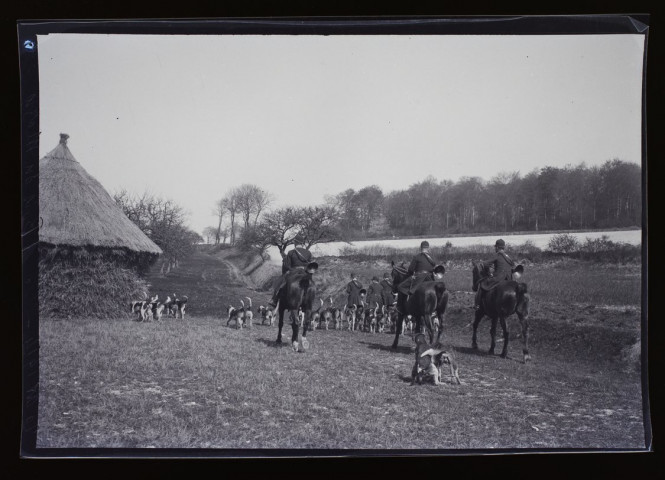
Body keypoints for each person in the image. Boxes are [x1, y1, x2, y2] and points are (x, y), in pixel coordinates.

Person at [268, 242, 314, 308]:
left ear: (295, 244)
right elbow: (310, 265)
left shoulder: (291, 252)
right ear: (302, 244)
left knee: (281, 281)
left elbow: (287, 265)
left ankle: (274, 299)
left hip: (294, 271)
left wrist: (290, 270)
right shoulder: (308, 252)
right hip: (305, 272)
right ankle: (311, 299)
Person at [474, 238, 515, 310]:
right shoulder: (508, 257)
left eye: (495, 247)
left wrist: (484, 267)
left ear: (497, 247)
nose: (495, 249)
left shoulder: (498, 255)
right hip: (509, 279)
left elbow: (485, 264)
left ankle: (477, 305)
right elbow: (512, 265)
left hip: (499, 278)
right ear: (503, 247)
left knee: (482, 284)